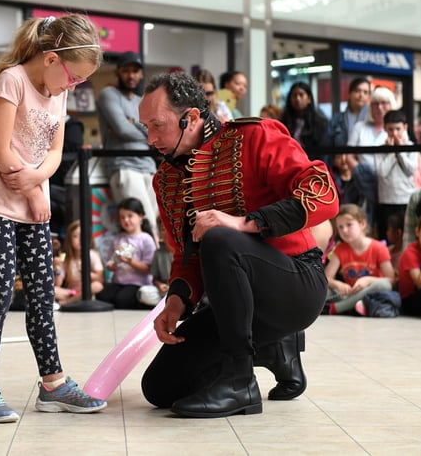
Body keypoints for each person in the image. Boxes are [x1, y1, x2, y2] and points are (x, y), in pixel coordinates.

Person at [138, 71, 338, 418]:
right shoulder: (166, 179)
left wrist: (244, 223)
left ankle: (239, 382)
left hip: (296, 286)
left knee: (219, 236)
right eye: (146, 128)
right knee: (160, 388)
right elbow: (187, 255)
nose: (151, 138)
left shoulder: (254, 136)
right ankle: (272, 349)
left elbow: (324, 193)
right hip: (237, 307)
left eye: (158, 125)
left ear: (192, 117)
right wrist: (176, 299)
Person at [0, 14, 107, 423]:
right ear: (51, 59)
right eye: (73, 76)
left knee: (43, 297)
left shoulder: (57, 92)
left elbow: (55, 154)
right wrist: (31, 190)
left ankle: (53, 383)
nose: (73, 86)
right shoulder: (10, 81)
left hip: (35, 208)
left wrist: (38, 186)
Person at [96, 50, 158, 230]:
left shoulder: (141, 100)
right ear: (118, 72)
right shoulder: (109, 94)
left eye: (135, 71)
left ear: (140, 74)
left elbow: (154, 132)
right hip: (125, 167)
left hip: (148, 166)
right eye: (126, 70)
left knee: (156, 224)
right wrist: (144, 131)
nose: (131, 75)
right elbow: (122, 129)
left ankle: (151, 259)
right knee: (143, 226)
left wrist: (135, 125)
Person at [323, 204, 395, 315]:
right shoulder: (340, 249)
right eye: (340, 227)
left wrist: (368, 280)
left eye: (349, 225)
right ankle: (353, 305)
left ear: (362, 224)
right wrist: (338, 284)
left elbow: (391, 280)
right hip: (349, 293)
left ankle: (337, 308)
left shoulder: (379, 248)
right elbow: (326, 278)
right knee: (324, 291)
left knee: (384, 286)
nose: (344, 230)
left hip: (370, 292)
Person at [97, 197, 157, 309]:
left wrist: (130, 261)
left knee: (122, 300)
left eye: (130, 216)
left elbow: (149, 268)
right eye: (122, 217)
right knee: (102, 296)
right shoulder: (118, 239)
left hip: (138, 283)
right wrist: (112, 265)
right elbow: (111, 262)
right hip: (119, 282)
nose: (126, 220)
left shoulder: (146, 239)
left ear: (141, 216)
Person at [374, 110, 419, 240]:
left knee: (407, 237)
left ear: (405, 127)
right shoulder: (380, 148)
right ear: (385, 128)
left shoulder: (411, 146)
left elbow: (410, 170)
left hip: (406, 199)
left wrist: (399, 150)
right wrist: (392, 152)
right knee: (386, 237)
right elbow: (382, 172)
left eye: (398, 129)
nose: (394, 133)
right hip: (385, 200)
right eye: (390, 129)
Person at [53, 219, 104, 306]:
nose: (80, 239)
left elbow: (100, 278)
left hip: (88, 291)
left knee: (97, 285)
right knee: (52, 290)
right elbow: (58, 284)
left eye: (82, 236)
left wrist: (85, 272)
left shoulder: (92, 254)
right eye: (75, 236)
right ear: (69, 239)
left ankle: (66, 303)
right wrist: (57, 269)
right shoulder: (66, 258)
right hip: (71, 292)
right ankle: (77, 299)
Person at [280, 82, 330, 160]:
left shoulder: (320, 123)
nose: (297, 99)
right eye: (294, 95)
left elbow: (322, 152)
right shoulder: (283, 122)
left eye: (301, 95)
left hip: (311, 166)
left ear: (309, 99)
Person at [348, 86, 393, 167]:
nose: (379, 107)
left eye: (383, 103)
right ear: (370, 107)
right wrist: (361, 172)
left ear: (391, 105)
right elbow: (348, 155)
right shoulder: (359, 127)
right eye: (375, 104)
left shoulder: (397, 130)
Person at [331, 153, 377, 226]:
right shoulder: (330, 178)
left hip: (358, 217)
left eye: (347, 156)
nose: (344, 159)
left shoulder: (362, 180)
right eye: (339, 156)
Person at [329, 77, 371, 147]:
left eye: (365, 92)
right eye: (357, 91)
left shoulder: (372, 119)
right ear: (349, 94)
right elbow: (328, 146)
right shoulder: (337, 119)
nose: (361, 95)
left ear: (368, 96)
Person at [142, 215, 172, 307]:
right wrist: (160, 285)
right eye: (163, 229)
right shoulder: (158, 253)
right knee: (143, 292)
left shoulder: (185, 251)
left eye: (169, 228)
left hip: (183, 289)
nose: (166, 232)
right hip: (164, 289)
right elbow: (155, 279)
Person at [386, 212, 405, 277]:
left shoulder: (404, 255)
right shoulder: (387, 250)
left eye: (389, 230)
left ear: (398, 233)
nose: (387, 233)